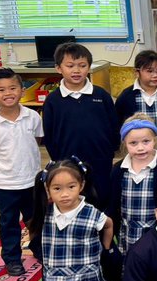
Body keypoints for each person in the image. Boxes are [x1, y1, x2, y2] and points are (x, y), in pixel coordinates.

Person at [30, 158, 115, 281]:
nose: (65, 194)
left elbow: (109, 225)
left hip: (86, 271)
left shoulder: (91, 212)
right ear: (47, 190)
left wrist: (105, 247)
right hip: (56, 274)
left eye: (71, 186)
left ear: (81, 185)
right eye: (57, 188)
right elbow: (34, 234)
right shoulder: (45, 213)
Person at [41, 43, 119, 214]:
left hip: (100, 160)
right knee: (73, 200)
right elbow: (50, 134)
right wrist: (60, 160)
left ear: (89, 67)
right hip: (68, 163)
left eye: (82, 66)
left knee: (102, 197)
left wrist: (110, 150)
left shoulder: (101, 95)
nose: (76, 70)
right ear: (58, 68)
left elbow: (114, 125)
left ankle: (103, 235)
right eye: (70, 66)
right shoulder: (53, 101)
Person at [113, 116, 157, 253]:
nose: (140, 148)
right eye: (133, 143)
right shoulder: (118, 171)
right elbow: (112, 204)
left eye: (146, 141)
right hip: (128, 233)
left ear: (155, 140)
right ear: (124, 143)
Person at [0, 68, 43, 277]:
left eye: (13, 88)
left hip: (32, 180)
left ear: (22, 90)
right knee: (9, 223)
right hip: (5, 184)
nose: (8, 93)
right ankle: (13, 258)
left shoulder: (32, 116)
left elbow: (37, 141)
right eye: (1, 90)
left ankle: (39, 249)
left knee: (36, 219)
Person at [113, 50, 157, 169]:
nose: (155, 75)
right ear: (137, 72)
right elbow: (119, 124)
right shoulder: (127, 96)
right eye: (150, 71)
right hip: (139, 152)